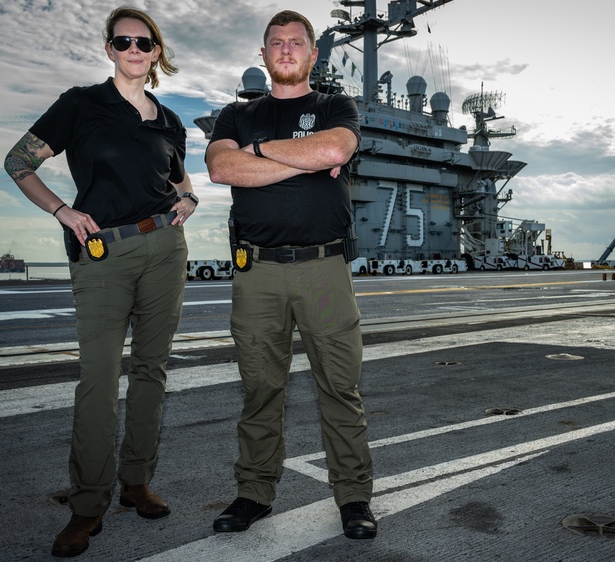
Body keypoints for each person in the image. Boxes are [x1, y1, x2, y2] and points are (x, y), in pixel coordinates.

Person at [3, 6, 196, 557]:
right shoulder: (80, 104)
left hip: (165, 248)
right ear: (109, 49)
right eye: (123, 41)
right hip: (102, 252)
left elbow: (181, 177)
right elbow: (18, 161)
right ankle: (89, 505)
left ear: (156, 51)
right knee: (98, 380)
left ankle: (136, 484)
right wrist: (62, 210)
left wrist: (190, 198)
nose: (134, 49)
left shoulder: (167, 118)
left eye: (144, 42)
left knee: (152, 372)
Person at [204, 10, 376, 540]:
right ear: (262, 55)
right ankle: (254, 492)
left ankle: (353, 498)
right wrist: (295, 159)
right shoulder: (235, 115)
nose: (285, 50)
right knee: (260, 390)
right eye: (275, 43)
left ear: (312, 54)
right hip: (257, 273)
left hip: (324, 269)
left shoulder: (335, 106)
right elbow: (220, 169)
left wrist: (256, 156)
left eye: (295, 42)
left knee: (340, 389)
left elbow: (332, 148)